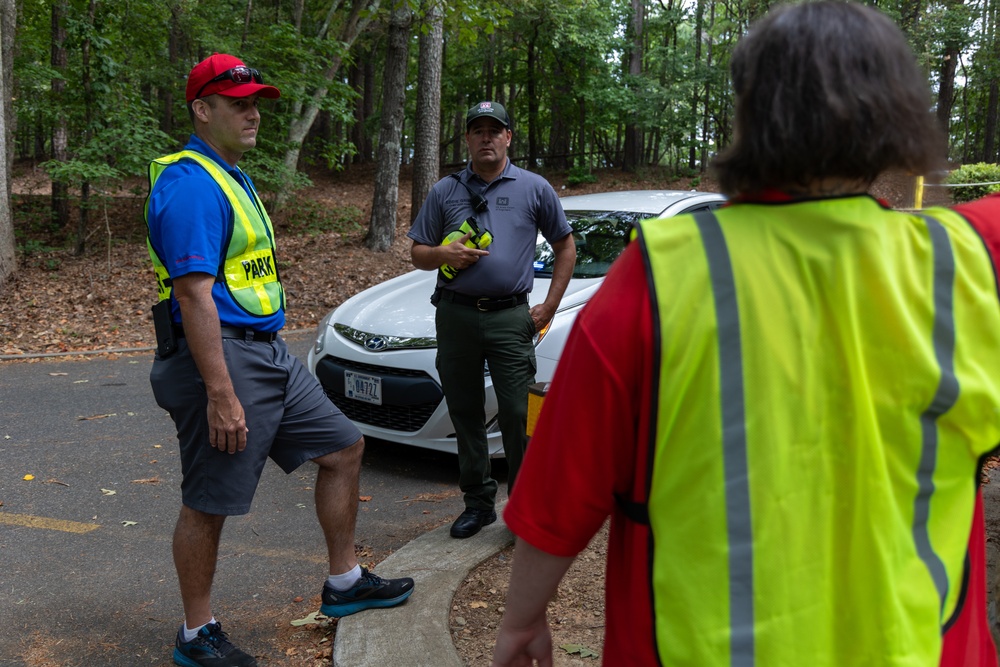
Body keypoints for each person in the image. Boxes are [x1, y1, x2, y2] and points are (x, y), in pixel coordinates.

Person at [490, 3, 1000, 665]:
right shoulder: (969, 261)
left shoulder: (664, 270)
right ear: (897, 112)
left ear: (751, 115)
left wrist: (521, 619)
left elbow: (562, 486)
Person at [144, 53, 413, 667]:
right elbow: (192, 293)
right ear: (201, 110)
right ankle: (196, 634)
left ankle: (344, 584)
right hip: (221, 359)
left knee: (343, 448)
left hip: (268, 353)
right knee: (209, 500)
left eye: (255, 101)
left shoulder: (230, 175)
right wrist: (219, 392)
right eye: (238, 103)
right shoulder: (190, 184)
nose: (253, 112)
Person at [408, 101, 576, 539]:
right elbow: (418, 254)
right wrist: (443, 254)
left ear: (507, 137)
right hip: (456, 315)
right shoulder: (445, 190)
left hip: (510, 317)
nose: (485, 137)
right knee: (464, 410)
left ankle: (523, 506)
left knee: (521, 412)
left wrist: (551, 304)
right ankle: (478, 503)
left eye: (493, 129)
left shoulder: (534, 188)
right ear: (467, 138)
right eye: (477, 130)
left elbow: (565, 247)